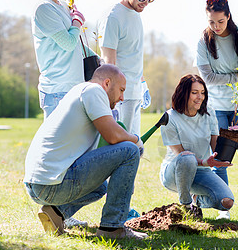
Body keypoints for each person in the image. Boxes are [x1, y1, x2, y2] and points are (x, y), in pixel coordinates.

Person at [24, 64, 148, 240]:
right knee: (129, 150)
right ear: (106, 83)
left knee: (100, 187)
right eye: (121, 90)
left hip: (38, 183)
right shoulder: (94, 91)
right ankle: (112, 229)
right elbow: (113, 135)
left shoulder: (78, 91)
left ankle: (56, 213)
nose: (121, 98)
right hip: (51, 185)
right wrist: (136, 140)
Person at [33, 0, 97, 228]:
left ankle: (61, 214)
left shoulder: (60, 8)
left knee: (80, 157)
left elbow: (78, 48)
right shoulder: (43, 10)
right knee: (61, 159)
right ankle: (59, 212)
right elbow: (68, 42)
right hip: (57, 90)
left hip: (72, 89)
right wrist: (76, 23)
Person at [196, 0, 238, 220]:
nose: (215, 27)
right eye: (211, 22)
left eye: (220, 22)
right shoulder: (203, 42)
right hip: (216, 109)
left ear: (228, 17)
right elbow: (207, 77)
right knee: (220, 160)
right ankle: (223, 208)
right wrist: (236, 77)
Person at [160, 74, 234, 217]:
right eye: (194, 93)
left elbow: (216, 147)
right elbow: (181, 156)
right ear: (183, 94)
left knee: (226, 202)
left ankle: (196, 199)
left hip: (201, 171)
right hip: (175, 173)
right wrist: (205, 162)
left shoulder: (209, 113)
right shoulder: (170, 118)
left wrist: (232, 138)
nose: (200, 97)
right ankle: (186, 205)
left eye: (202, 93)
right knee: (187, 158)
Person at [98, 0, 157, 137]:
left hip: (135, 92)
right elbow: (109, 62)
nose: (145, 3)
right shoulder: (113, 17)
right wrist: (114, 97)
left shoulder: (136, 14)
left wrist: (142, 82)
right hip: (121, 97)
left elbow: (133, 54)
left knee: (134, 145)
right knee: (123, 146)